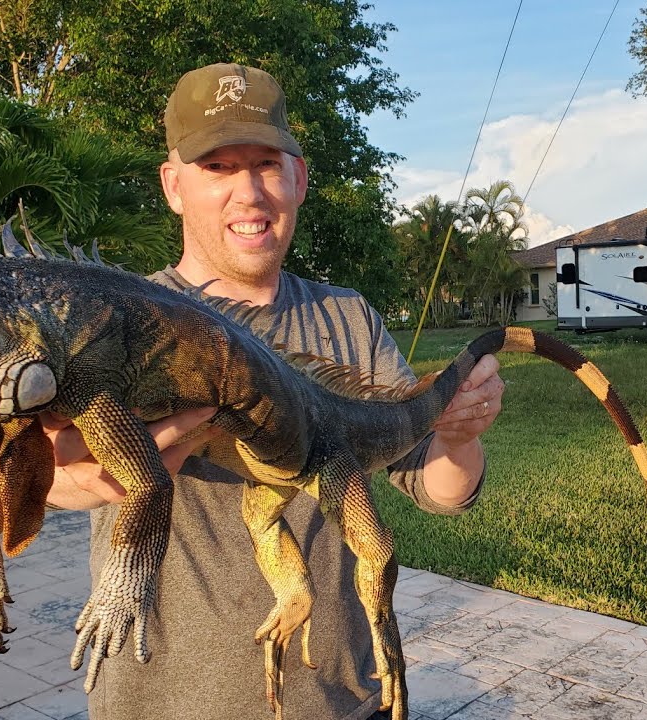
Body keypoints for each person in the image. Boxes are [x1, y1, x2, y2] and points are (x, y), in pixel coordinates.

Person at [42, 63, 506, 719]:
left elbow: (436, 489)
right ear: (174, 186)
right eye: (218, 168)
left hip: (340, 700)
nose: (248, 192)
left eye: (265, 163)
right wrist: (77, 480)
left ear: (299, 178)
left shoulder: (346, 318)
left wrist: (460, 435)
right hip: (157, 702)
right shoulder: (121, 317)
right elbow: (41, 468)